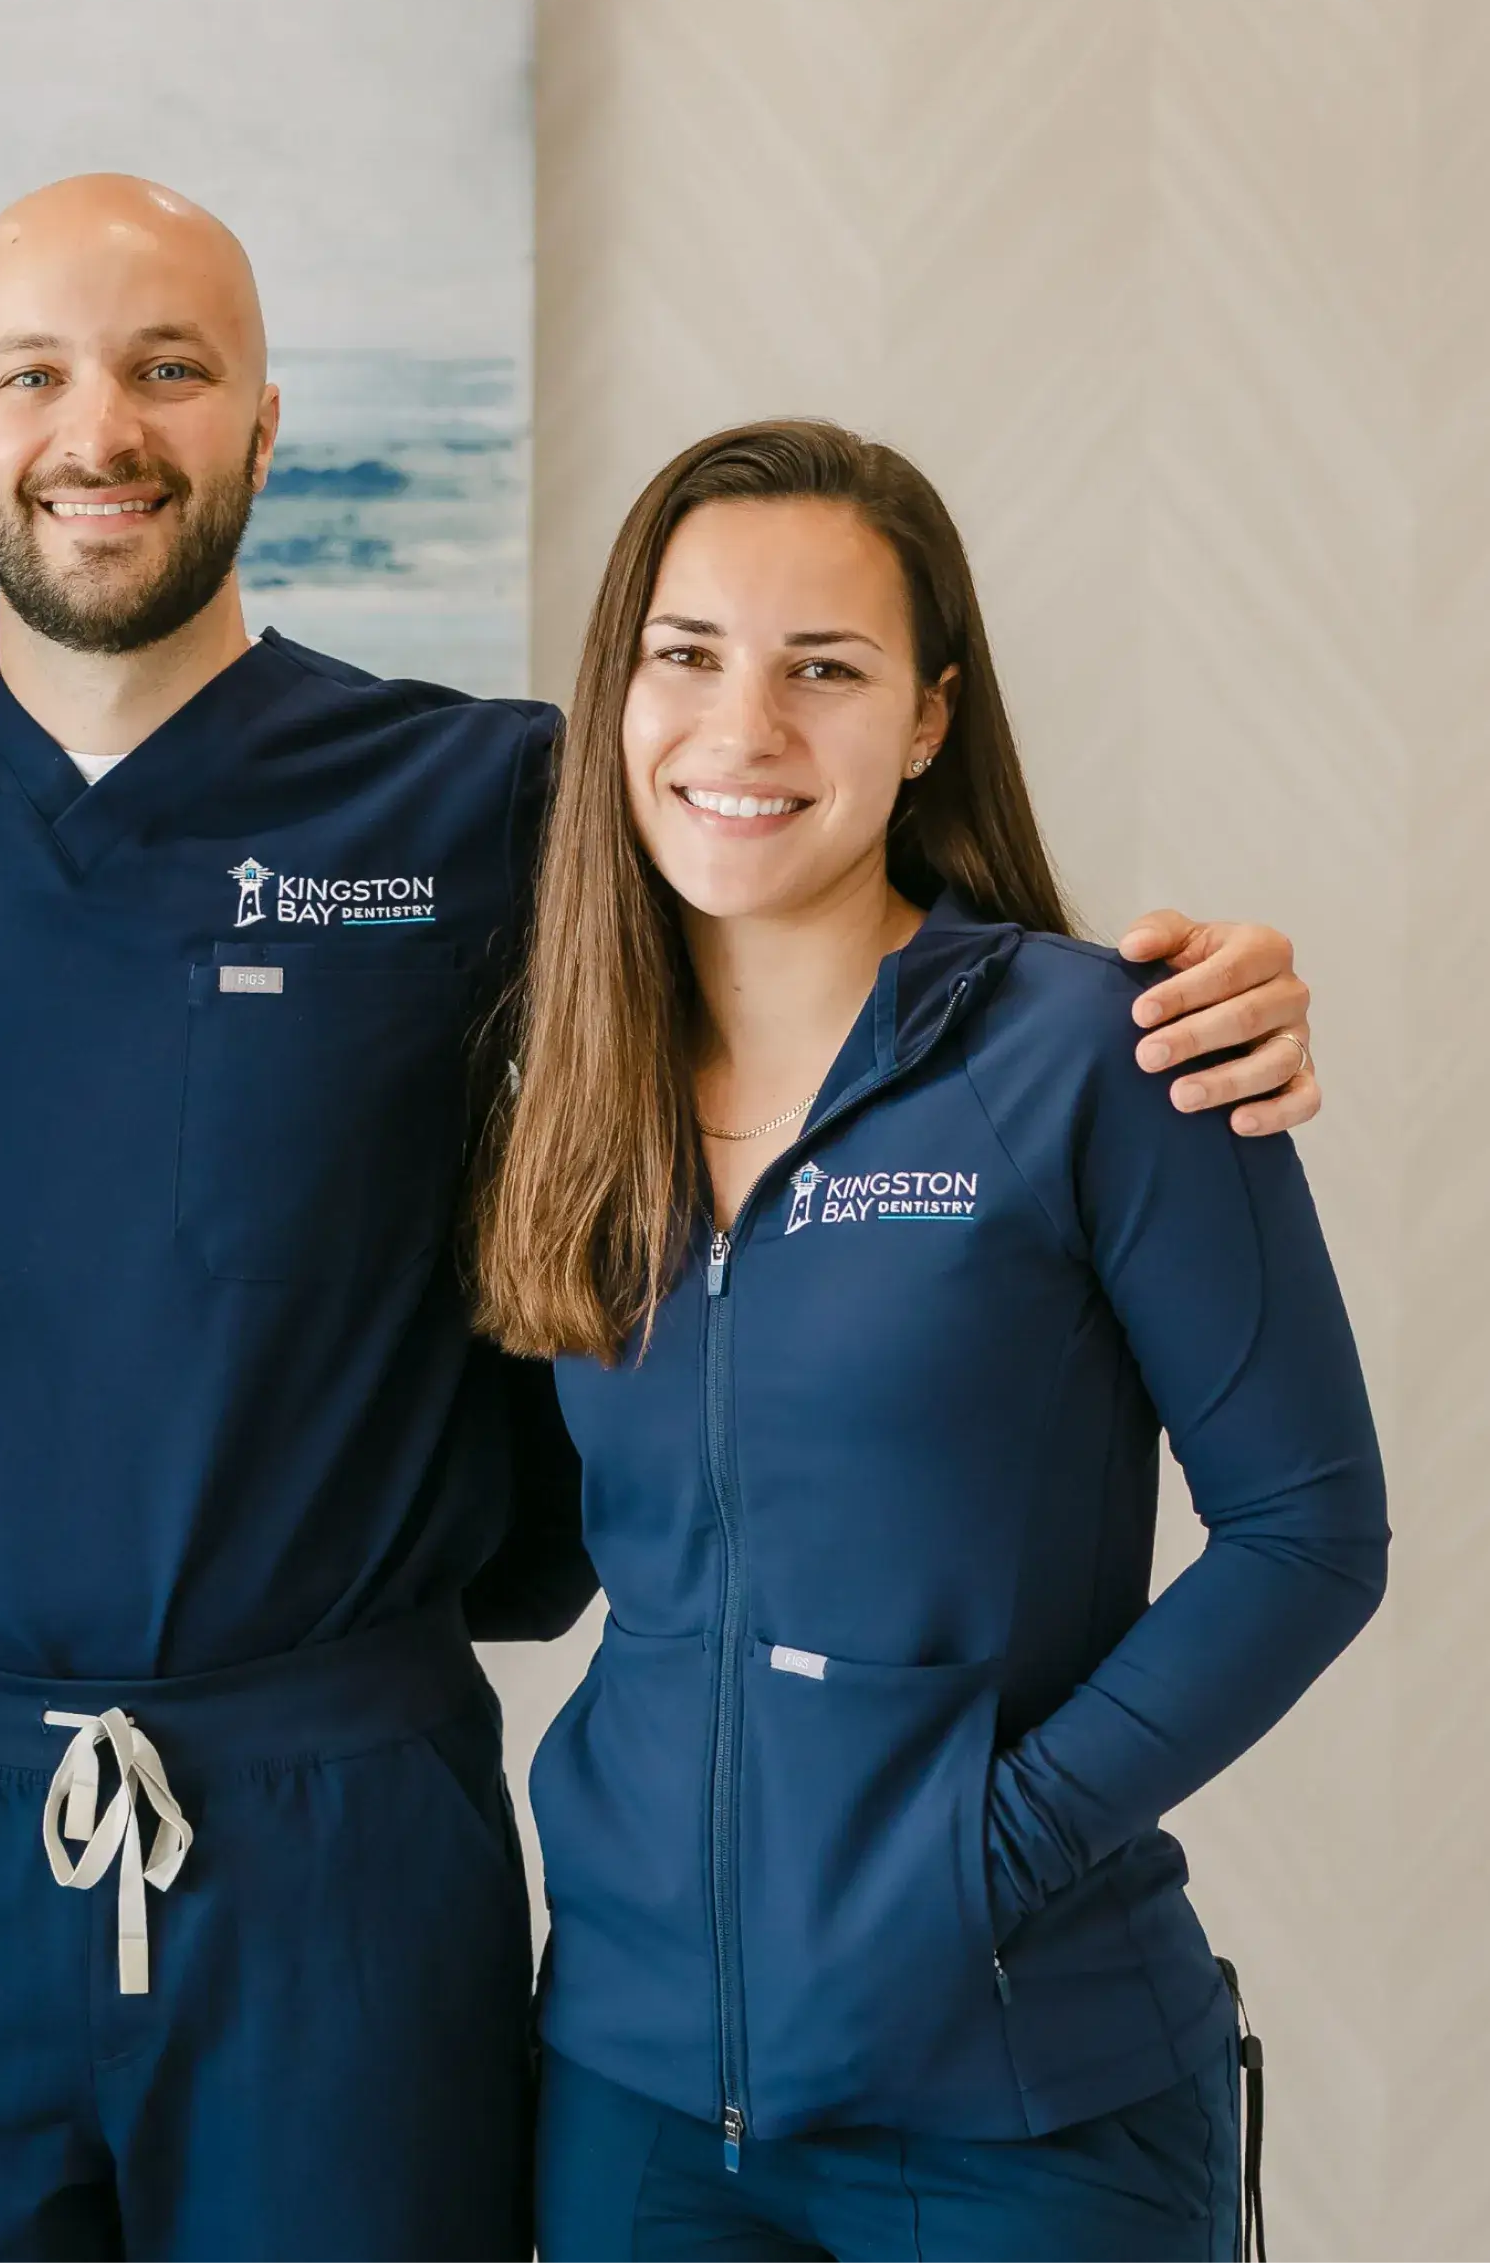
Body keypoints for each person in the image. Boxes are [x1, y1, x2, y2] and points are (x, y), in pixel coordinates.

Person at [0, 177, 1329, 2262]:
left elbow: (817, 909)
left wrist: (1195, 1005)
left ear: (263, 422)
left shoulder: (483, 804)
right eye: (30, 374)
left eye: (166, 368)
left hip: (334, 1809)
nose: (95, 427)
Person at [488, 421, 1381, 2262]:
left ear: (927, 717)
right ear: (618, 693)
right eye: (689, 656)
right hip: (637, 2096)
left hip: (1022, 2104)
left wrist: (992, 1856)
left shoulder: (1102, 1058)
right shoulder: (568, 1088)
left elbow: (1311, 1532)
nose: (743, 731)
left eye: (825, 669)